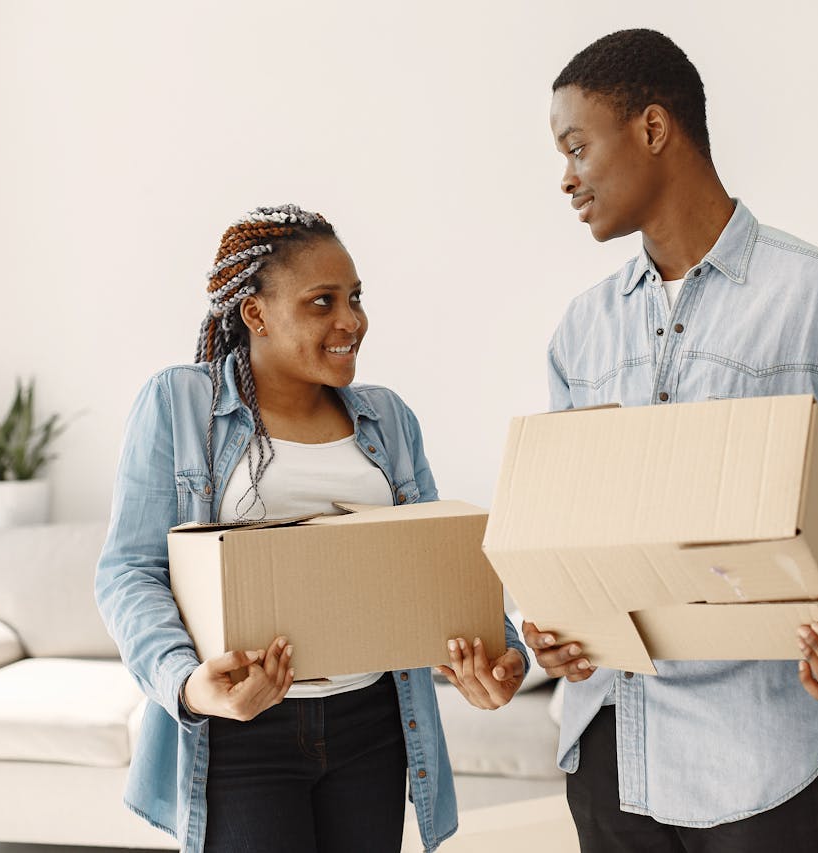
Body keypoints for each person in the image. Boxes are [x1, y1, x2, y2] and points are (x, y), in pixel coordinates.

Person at [524, 30, 818, 852]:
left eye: (578, 146)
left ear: (654, 129)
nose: (566, 177)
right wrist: (545, 619)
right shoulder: (581, 331)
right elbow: (559, 528)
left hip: (760, 762)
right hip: (609, 757)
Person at [96, 204, 527, 853]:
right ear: (255, 313)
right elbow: (128, 571)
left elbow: (442, 559)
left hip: (373, 722)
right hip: (243, 733)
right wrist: (186, 681)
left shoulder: (387, 418)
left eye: (354, 298)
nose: (351, 320)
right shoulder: (181, 404)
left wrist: (502, 652)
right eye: (322, 301)